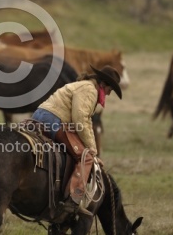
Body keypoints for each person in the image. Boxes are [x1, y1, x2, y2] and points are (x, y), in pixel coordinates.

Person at [31, 65, 122, 212]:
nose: (109, 94)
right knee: (86, 158)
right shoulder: (89, 90)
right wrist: (92, 151)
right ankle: (73, 199)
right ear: (103, 84)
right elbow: (80, 119)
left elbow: (84, 121)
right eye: (110, 90)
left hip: (40, 116)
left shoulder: (84, 86)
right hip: (53, 120)